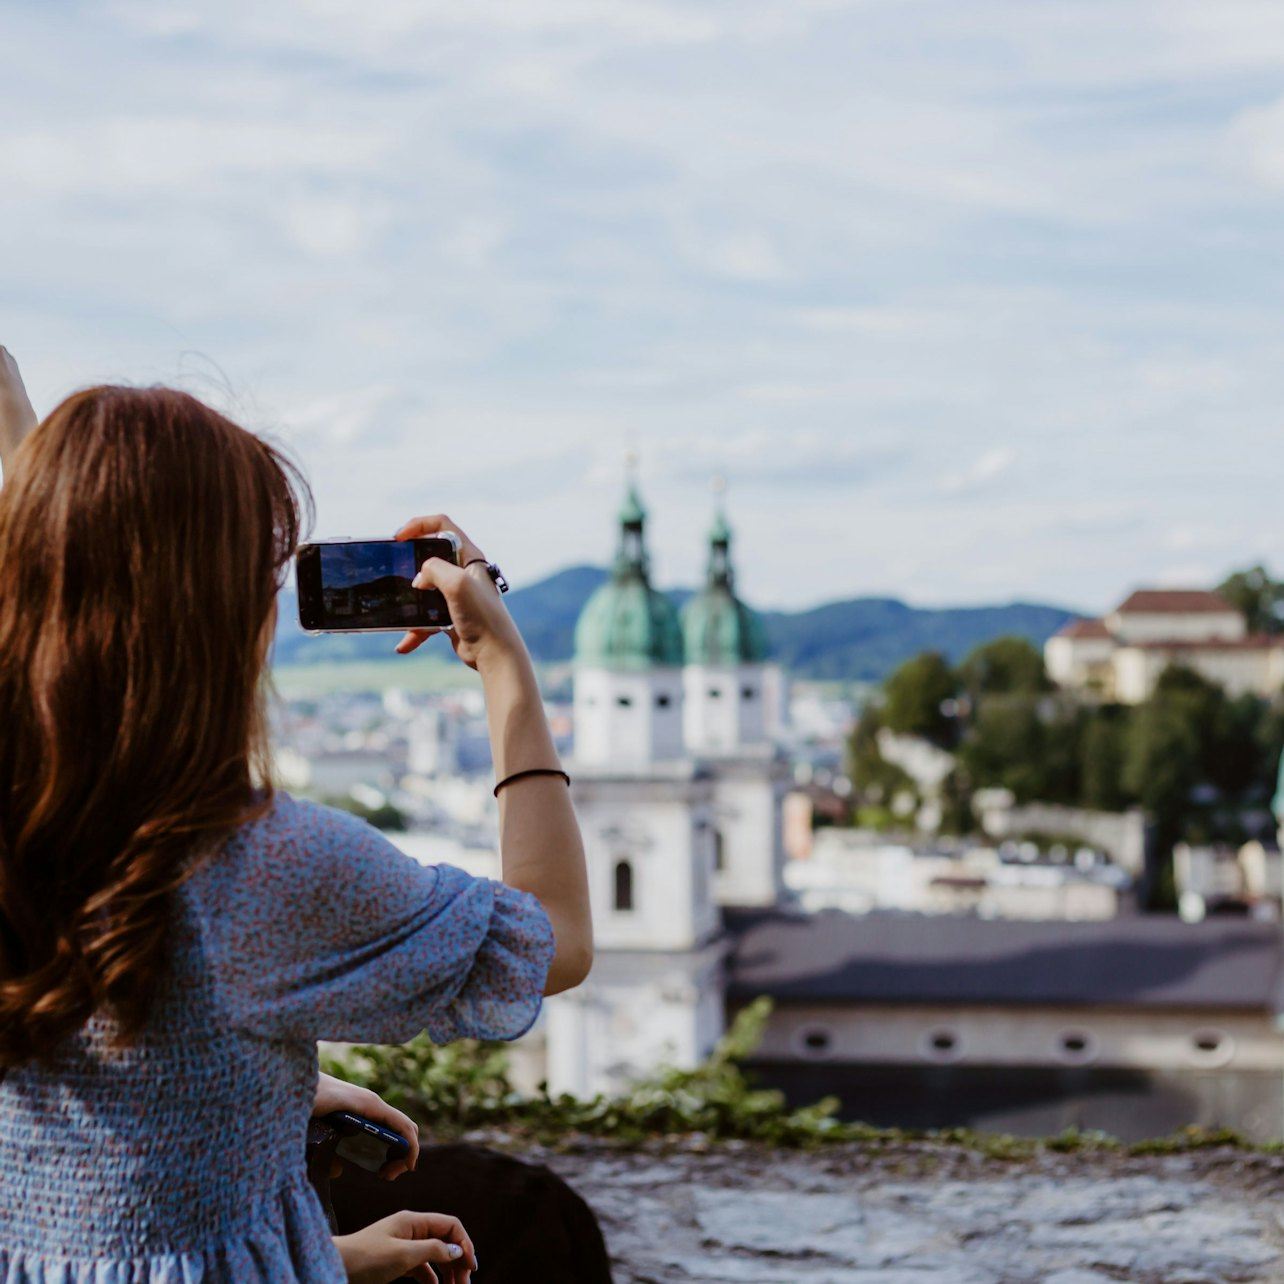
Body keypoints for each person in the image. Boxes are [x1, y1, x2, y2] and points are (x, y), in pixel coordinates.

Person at [0, 347, 593, 1283]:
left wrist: (268, 1102)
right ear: (232, 619)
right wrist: (505, 665)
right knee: (538, 1224)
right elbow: (555, 940)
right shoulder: (263, 865)